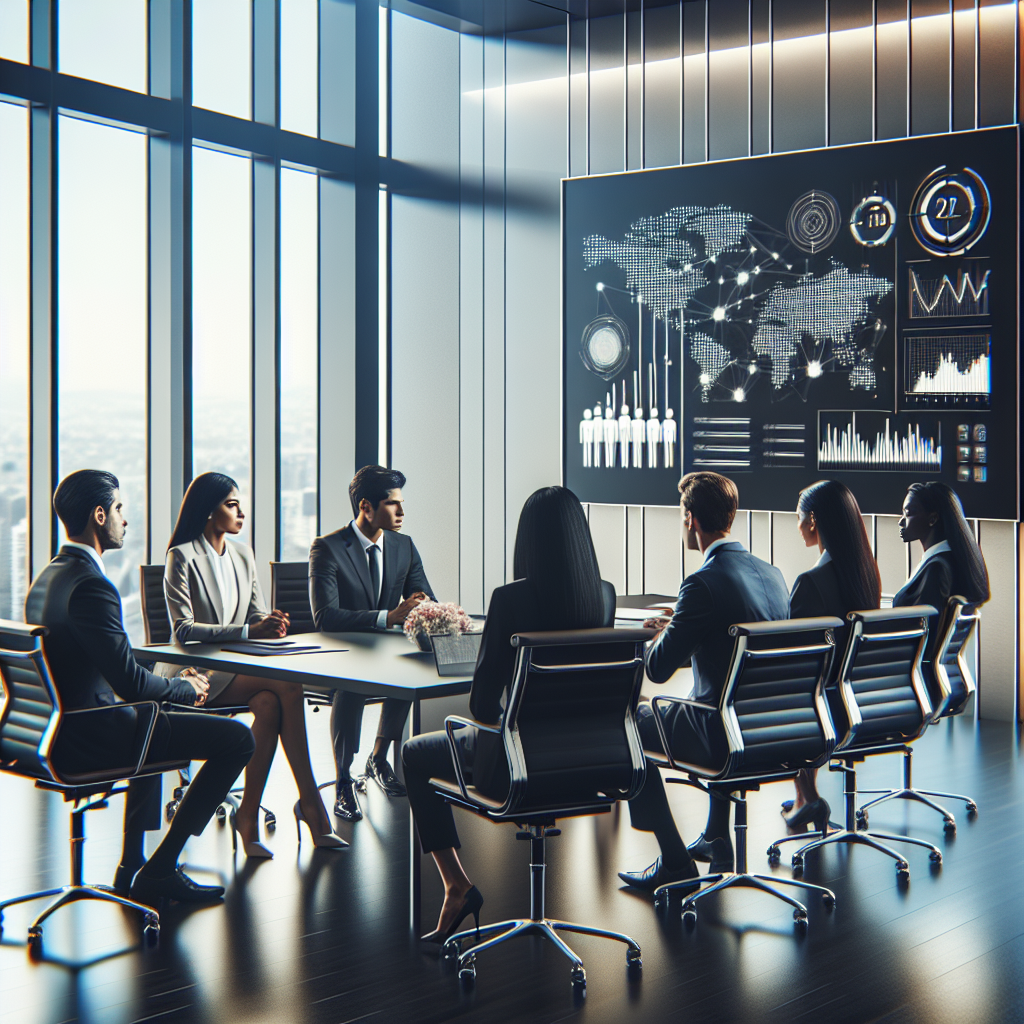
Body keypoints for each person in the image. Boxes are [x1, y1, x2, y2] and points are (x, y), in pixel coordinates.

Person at [24, 470, 255, 904]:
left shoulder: (48, 579)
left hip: (54, 731)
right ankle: (161, 868)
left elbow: (107, 663)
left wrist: (167, 683)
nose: (124, 520)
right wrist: (185, 688)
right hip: (91, 736)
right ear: (98, 516)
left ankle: (132, 864)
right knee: (237, 739)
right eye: (118, 510)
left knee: (154, 719)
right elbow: (130, 684)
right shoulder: (93, 586)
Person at [401, 486, 617, 942]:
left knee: (417, 753)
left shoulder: (510, 599)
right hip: (588, 766)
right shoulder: (604, 596)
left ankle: (457, 886)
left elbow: (481, 706)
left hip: (518, 772)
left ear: (527, 541)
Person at [618, 472, 789, 893]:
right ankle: (716, 835)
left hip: (722, 733)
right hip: (776, 726)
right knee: (715, 696)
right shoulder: (773, 576)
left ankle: (675, 860)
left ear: (690, 519)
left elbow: (657, 670)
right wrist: (684, 627)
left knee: (625, 725)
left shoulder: (701, 583)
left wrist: (664, 633)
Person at [161, 473, 344, 855]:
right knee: (287, 685)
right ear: (208, 511)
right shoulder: (181, 555)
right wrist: (249, 629)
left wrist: (271, 625)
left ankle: (248, 815)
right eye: (231, 504)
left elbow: (256, 614)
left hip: (238, 666)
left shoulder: (243, 554)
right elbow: (184, 629)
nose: (242, 511)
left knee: (269, 703)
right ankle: (312, 806)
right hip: (194, 671)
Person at [308, 466, 435, 822]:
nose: (402, 512)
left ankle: (378, 758)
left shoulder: (403, 545)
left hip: (385, 654)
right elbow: (326, 617)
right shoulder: (328, 549)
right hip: (341, 655)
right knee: (354, 684)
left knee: (409, 671)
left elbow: (424, 597)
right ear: (366, 506)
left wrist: (430, 611)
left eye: (401, 504)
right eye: (393, 504)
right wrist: (388, 616)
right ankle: (343, 780)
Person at [784, 480, 881, 830]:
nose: (797, 526)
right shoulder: (867, 574)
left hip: (819, 708)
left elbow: (793, 660)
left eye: (798, 517)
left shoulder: (811, 581)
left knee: (784, 686)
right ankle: (803, 797)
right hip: (856, 701)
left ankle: (807, 797)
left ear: (812, 520)